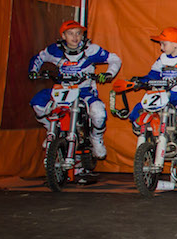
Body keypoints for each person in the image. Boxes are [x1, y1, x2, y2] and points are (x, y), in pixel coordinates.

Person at [28, 20, 122, 161]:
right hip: (61, 90)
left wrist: (109, 74)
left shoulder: (91, 49)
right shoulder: (55, 50)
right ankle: (51, 130)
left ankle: (96, 138)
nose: (75, 37)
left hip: (83, 91)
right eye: (70, 33)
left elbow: (115, 59)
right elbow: (38, 58)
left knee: (99, 113)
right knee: (37, 103)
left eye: (78, 33)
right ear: (63, 35)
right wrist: (33, 71)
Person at [127, 27, 177, 167]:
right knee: (138, 109)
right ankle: (143, 133)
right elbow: (152, 75)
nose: (161, 47)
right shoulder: (162, 59)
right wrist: (138, 81)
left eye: (164, 44)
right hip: (160, 95)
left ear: (175, 44)